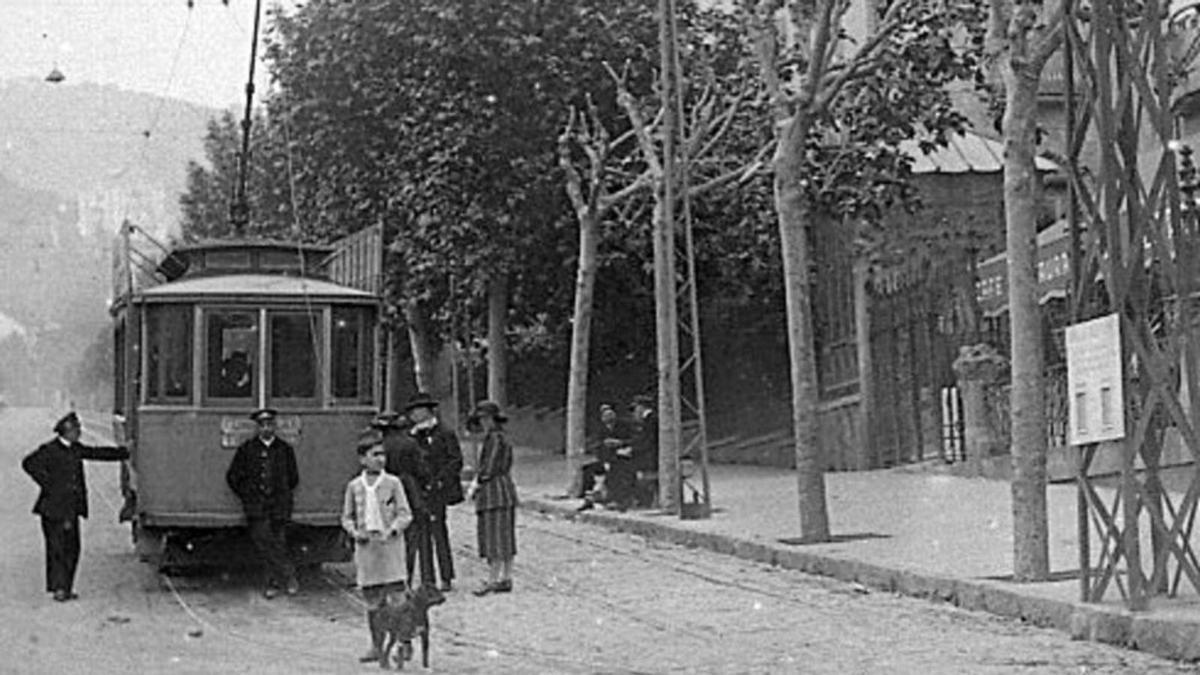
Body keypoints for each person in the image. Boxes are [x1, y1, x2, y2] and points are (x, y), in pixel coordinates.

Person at [21, 412, 129, 602]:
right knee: (56, 549)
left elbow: (96, 453)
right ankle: (59, 589)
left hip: (70, 509)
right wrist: (48, 483)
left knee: (72, 548)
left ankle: (66, 587)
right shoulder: (49, 449)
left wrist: (123, 453)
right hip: (52, 509)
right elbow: (28, 463)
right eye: (76, 430)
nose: (79, 433)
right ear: (66, 431)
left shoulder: (75, 449)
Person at [341, 428, 412, 664]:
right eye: (374, 454)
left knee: (397, 599)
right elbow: (346, 517)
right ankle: (376, 645)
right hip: (367, 550)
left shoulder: (393, 483)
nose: (380, 459)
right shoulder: (354, 487)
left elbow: (405, 514)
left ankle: (402, 643)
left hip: (390, 548)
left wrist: (392, 530)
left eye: (382, 454)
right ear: (362, 459)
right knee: (372, 601)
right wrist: (354, 532)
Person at [225, 408, 300, 599]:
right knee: (265, 543)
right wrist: (247, 495)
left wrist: (282, 495)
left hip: (279, 507)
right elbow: (233, 476)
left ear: (274, 426)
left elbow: (293, 478)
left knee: (278, 543)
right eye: (262, 425)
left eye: (270, 424)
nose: (266, 428)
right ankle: (289, 576)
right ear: (257, 427)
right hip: (256, 507)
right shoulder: (247, 449)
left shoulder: (284, 449)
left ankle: (272, 584)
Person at [403, 392, 464, 592]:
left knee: (439, 532)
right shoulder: (412, 435)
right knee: (422, 536)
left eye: (417, 411)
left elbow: (455, 460)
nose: (413, 415)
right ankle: (428, 579)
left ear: (427, 411)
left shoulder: (444, 433)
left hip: (438, 490)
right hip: (420, 491)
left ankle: (446, 576)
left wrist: (440, 480)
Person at [372, 411, 435, 591]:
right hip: (408, 494)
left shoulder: (377, 448)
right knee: (409, 540)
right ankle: (403, 581)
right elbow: (423, 471)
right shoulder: (410, 445)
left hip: (382, 495)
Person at [465, 401, 518, 596]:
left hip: (493, 491)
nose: (484, 422)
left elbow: (490, 466)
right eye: (482, 419)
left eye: (486, 418)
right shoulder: (502, 437)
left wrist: (476, 483)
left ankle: (494, 578)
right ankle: (505, 576)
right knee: (504, 534)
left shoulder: (494, 439)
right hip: (504, 490)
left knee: (493, 536)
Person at [577, 403, 634, 511]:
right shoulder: (600, 429)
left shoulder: (623, 427)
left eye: (610, 414)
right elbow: (596, 445)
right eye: (605, 415)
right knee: (588, 469)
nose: (608, 418)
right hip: (606, 458)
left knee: (613, 472)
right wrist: (603, 453)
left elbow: (633, 440)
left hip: (621, 458)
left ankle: (613, 499)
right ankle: (586, 496)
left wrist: (620, 443)